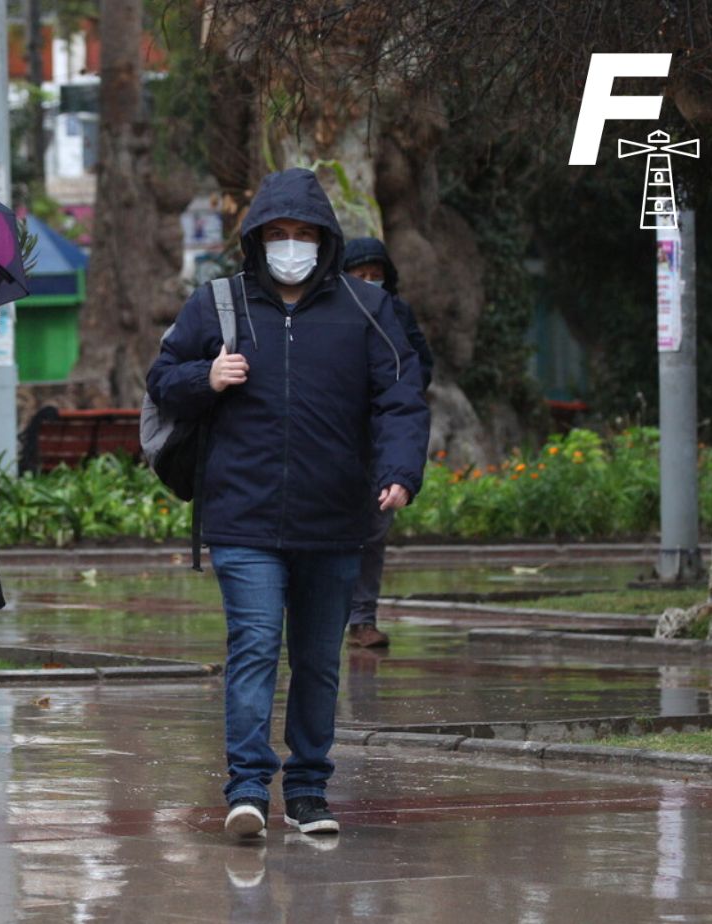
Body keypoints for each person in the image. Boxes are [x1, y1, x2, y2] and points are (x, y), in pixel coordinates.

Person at [146, 169, 429, 840]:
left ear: (325, 240)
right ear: (256, 240)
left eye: (304, 234)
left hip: (335, 520)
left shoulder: (367, 311)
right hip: (243, 516)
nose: (292, 246)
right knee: (252, 646)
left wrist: (398, 473)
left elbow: (400, 397)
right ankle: (246, 789)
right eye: (279, 234)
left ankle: (307, 791)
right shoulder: (217, 304)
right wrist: (205, 376)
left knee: (318, 658)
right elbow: (162, 379)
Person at [341, 237, 435, 649]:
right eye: (359, 276)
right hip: (335, 438)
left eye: (375, 277)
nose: (368, 283)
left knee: (373, 531)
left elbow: (418, 367)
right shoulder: (328, 314)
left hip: (380, 442)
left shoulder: (397, 314)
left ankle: (363, 618)